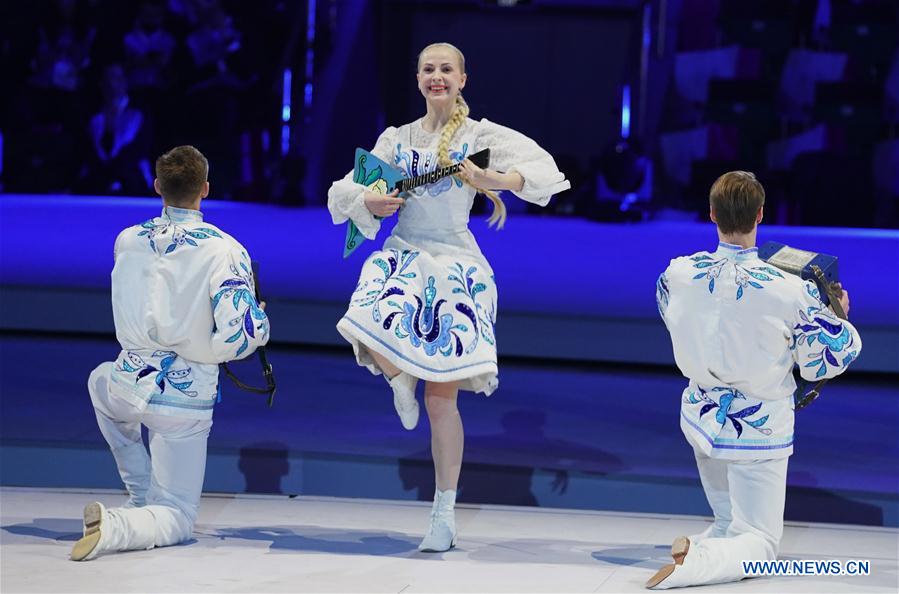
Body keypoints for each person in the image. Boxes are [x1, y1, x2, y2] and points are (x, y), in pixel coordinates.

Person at [327, 42, 569, 553]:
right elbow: (343, 190)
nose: (437, 77)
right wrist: (369, 199)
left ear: (462, 79)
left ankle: (444, 512)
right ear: (418, 79)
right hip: (404, 252)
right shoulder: (397, 139)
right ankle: (399, 378)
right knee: (361, 319)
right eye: (428, 69)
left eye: (445, 70)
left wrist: (490, 178)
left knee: (442, 399)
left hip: (455, 258)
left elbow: (542, 170)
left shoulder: (479, 136)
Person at [648, 171, 862, 588]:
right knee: (760, 543)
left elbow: (673, 317)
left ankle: (700, 549)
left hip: (701, 416)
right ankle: (694, 564)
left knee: (729, 522)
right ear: (760, 214)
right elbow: (826, 358)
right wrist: (837, 315)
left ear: (712, 214)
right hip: (758, 428)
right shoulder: (788, 290)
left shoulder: (677, 273)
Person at [71, 145, 270, 561]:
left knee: (99, 380)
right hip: (183, 400)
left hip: (127, 384)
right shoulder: (224, 249)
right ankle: (118, 525)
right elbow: (241, 335)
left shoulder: (127, 240)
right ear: (206, 189)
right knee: (178, 516)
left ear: (158, 186)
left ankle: (140, 494)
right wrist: (223, 342)